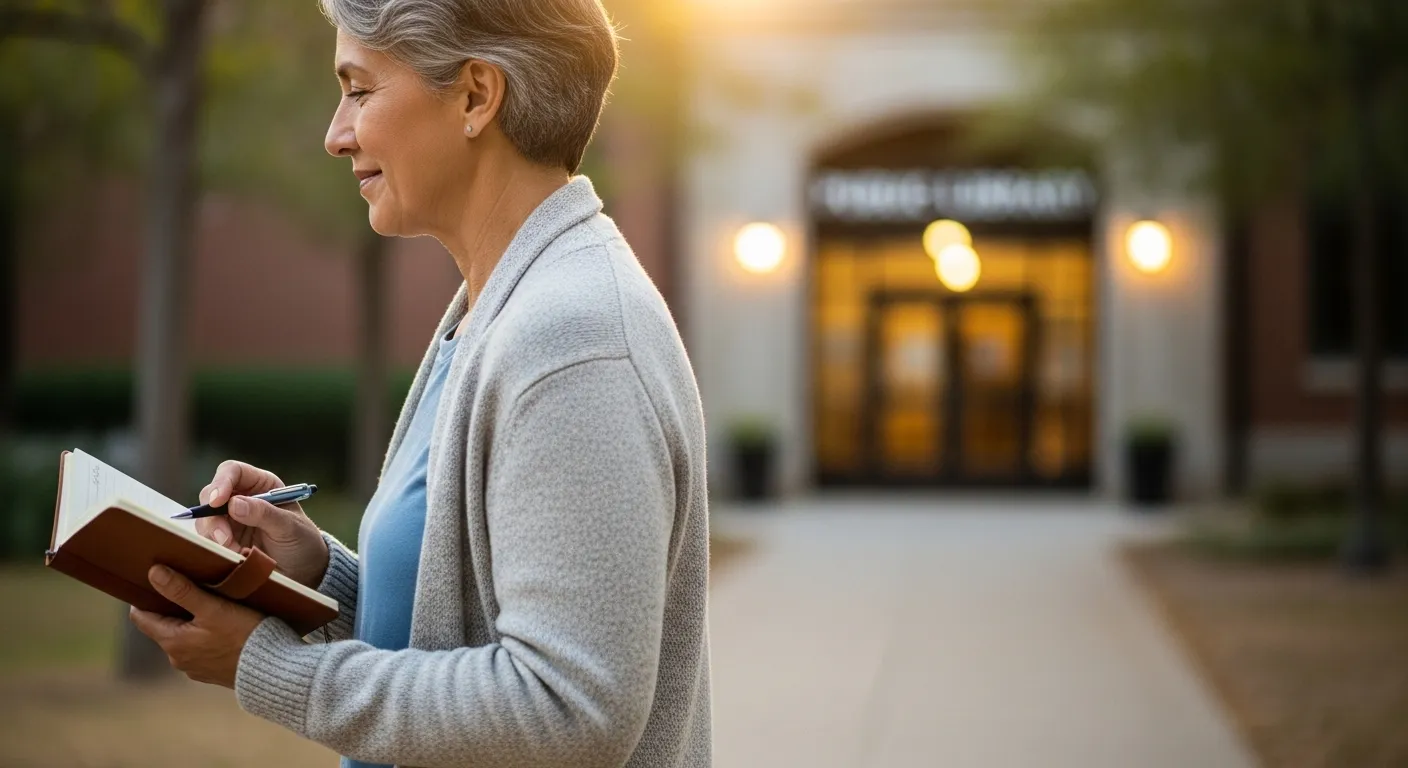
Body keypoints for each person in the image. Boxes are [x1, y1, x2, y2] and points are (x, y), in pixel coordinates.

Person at [126, 1, 712, 766]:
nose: (336, 135)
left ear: (475, 96)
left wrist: (270, 669)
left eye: (360, 90)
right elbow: (459, 625)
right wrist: (314, 576)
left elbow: (570, 709)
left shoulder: (573, 339)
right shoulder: (495, 309)